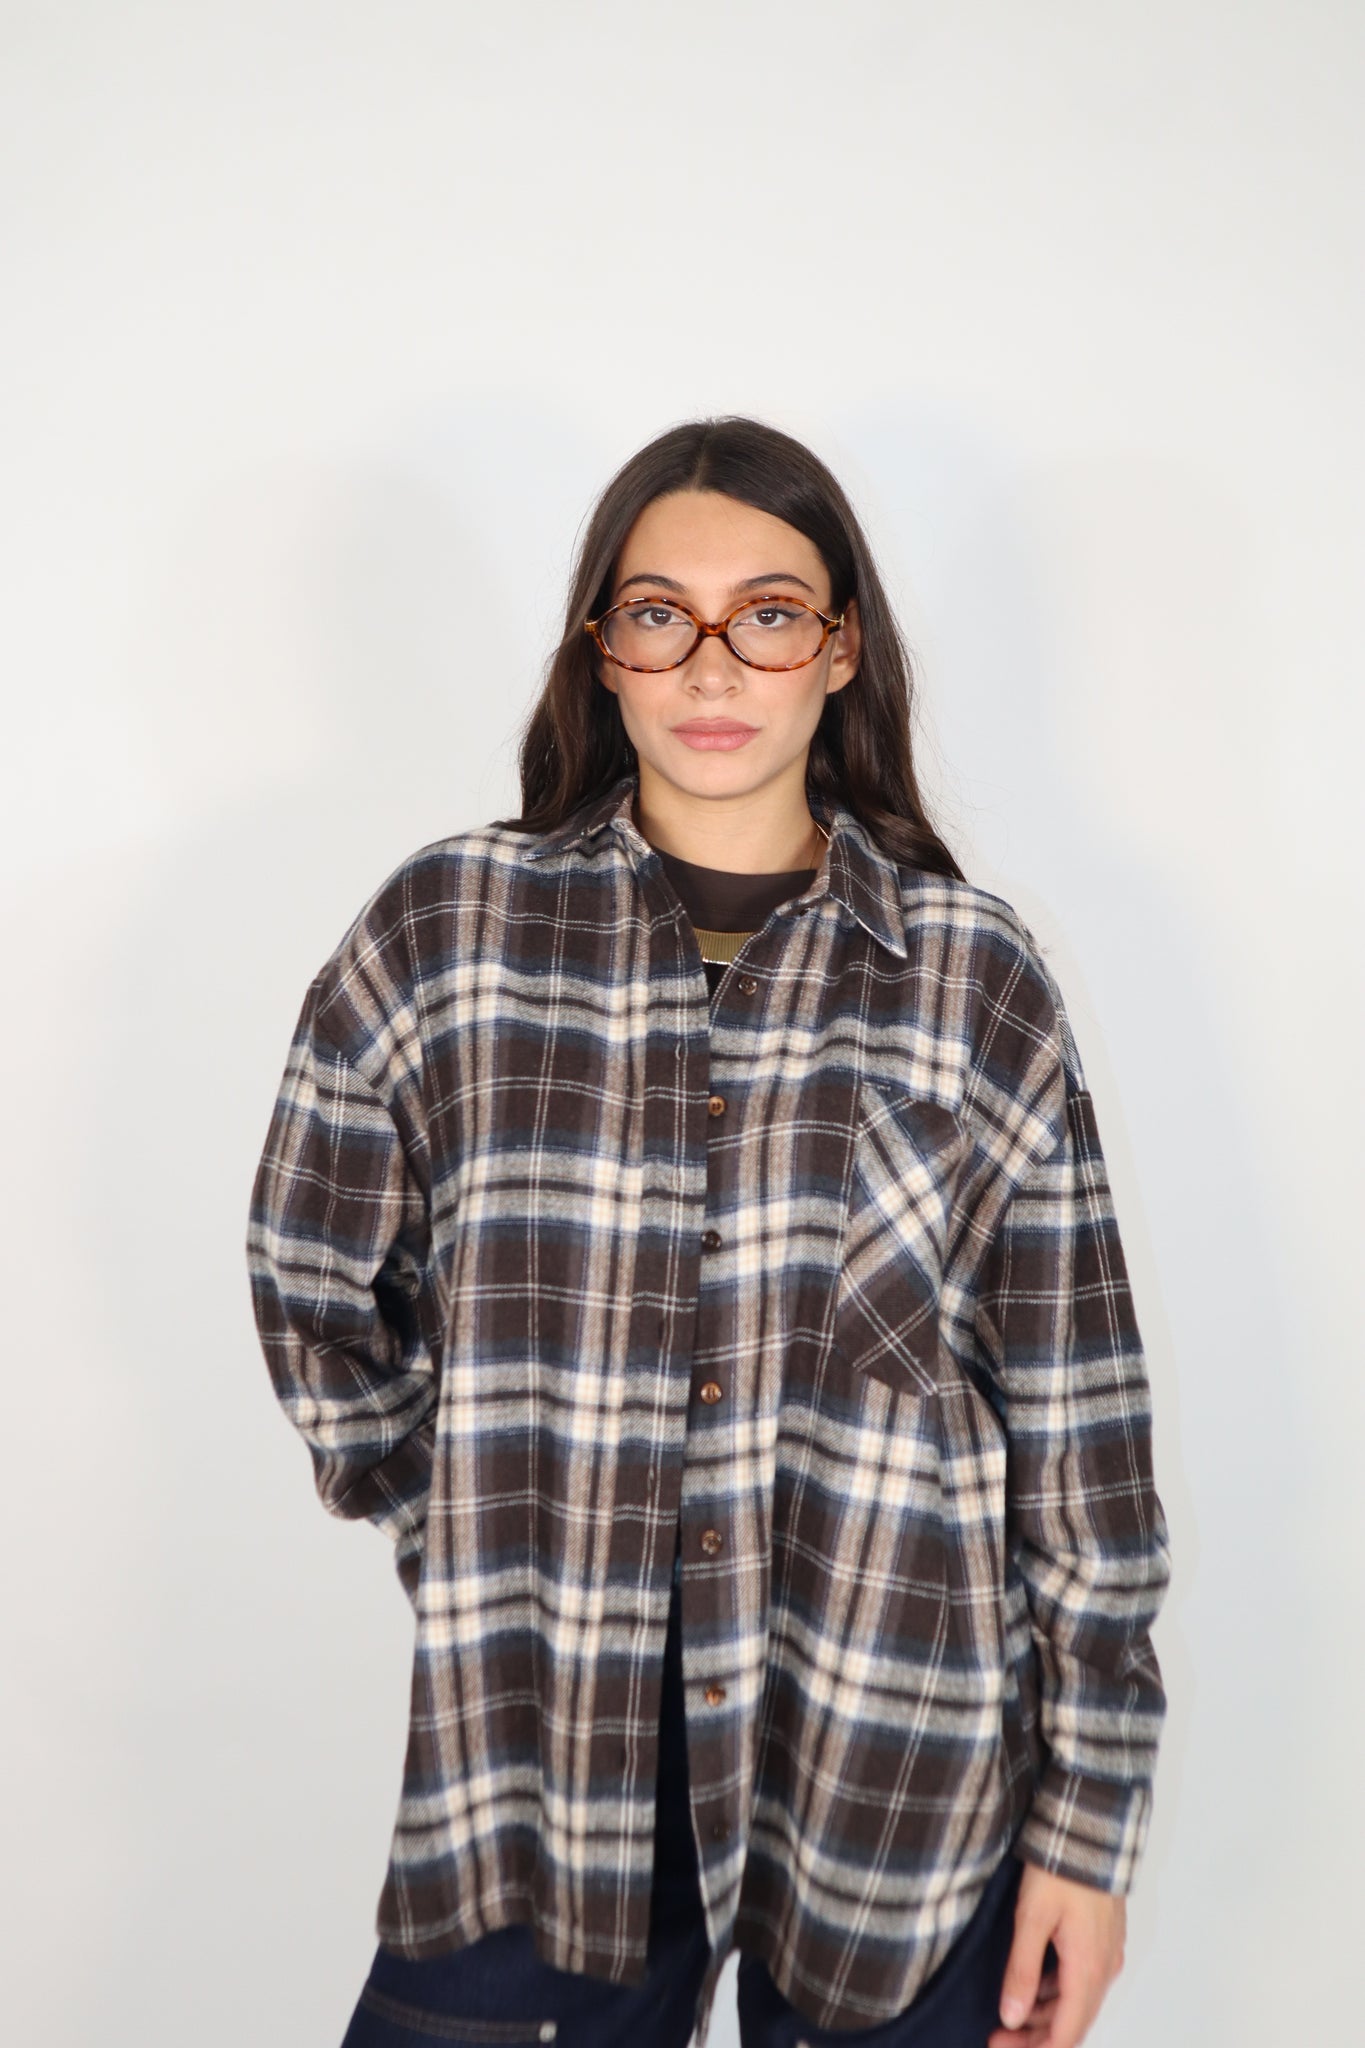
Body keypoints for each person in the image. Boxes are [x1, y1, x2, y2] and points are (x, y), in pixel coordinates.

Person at [246, 416, 1170, 2048]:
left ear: (839, 650)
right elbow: (313, 1282)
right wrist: (470, 1519)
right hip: (544, 1768)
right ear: (601, 649)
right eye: (660, 613)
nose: (712, 664)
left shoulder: (971, 974)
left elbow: (1075, 1419)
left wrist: (1087, 1834)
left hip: (896, 1770)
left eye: (770, 613)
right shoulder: (448, 935)